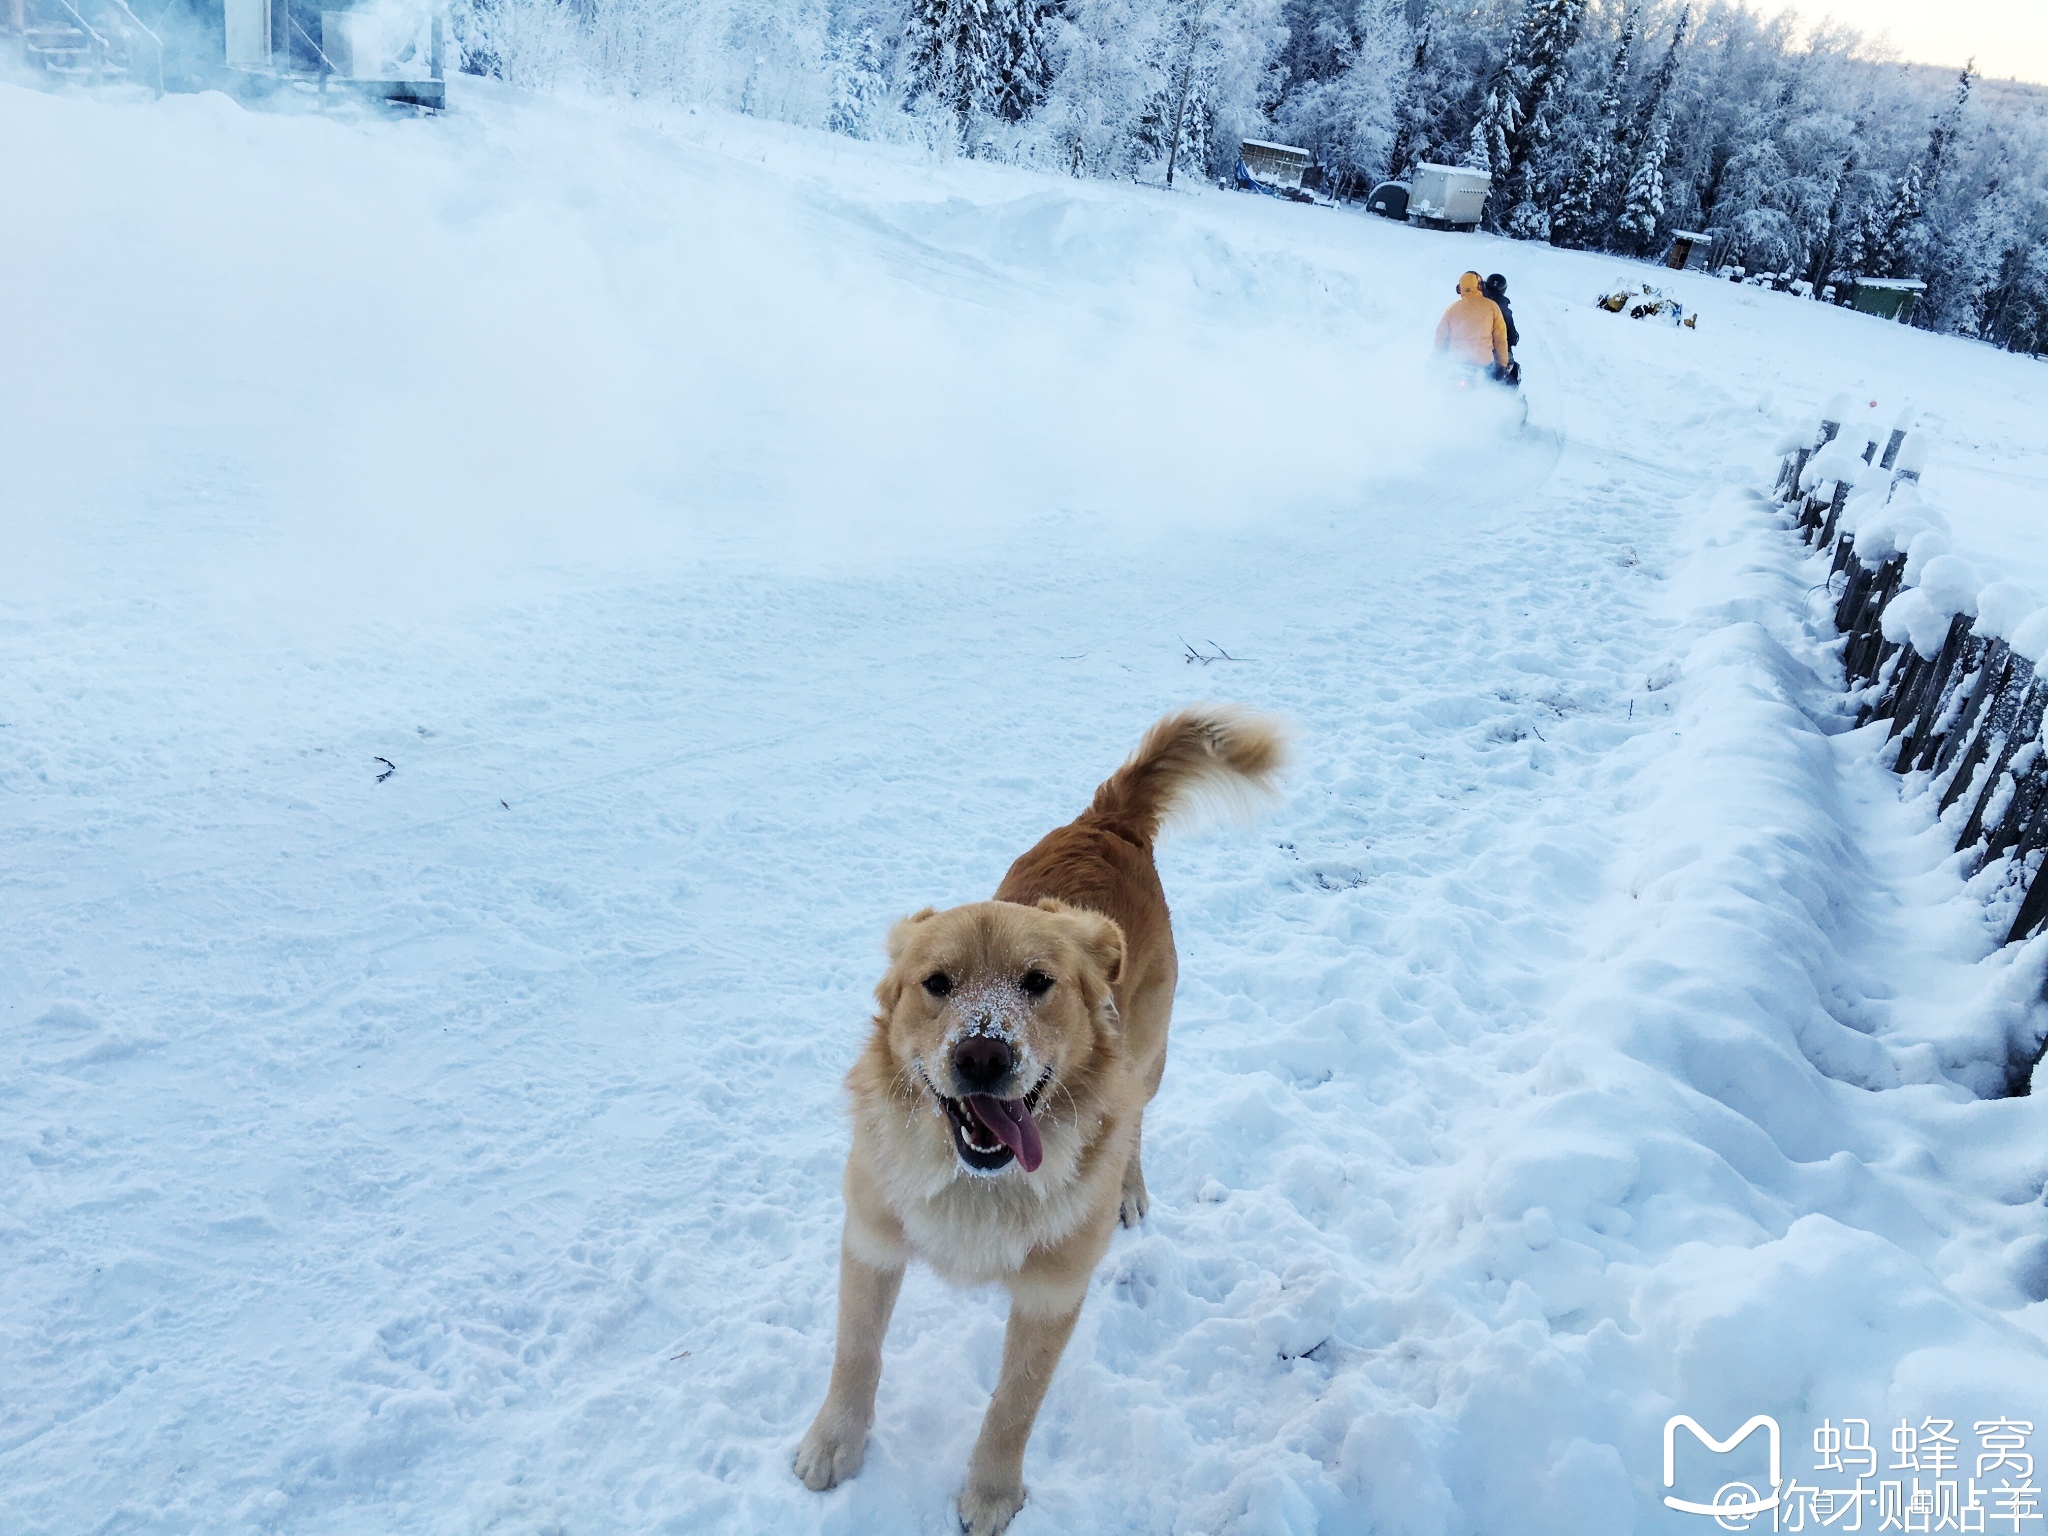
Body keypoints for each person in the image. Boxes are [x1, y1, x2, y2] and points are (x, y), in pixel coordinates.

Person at [1433, 270, 1510, 381]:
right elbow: (1500, 339)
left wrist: (1436, 357)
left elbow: (1441, 336)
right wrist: (1502, 364)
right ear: (1480, 286)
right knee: (1492, 389)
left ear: (1460, 289)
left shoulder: (1452, 309)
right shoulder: (1492, 307)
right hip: (1483, 363)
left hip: (1456, 361)